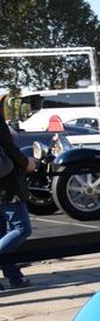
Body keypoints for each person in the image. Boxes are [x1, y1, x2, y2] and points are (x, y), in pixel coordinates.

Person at [0, 94, 37, 290]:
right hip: (6, 184)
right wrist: (27, 163)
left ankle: (14, 277)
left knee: (1, 233)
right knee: (22, 228)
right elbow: (10, 149)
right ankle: (14, 276)